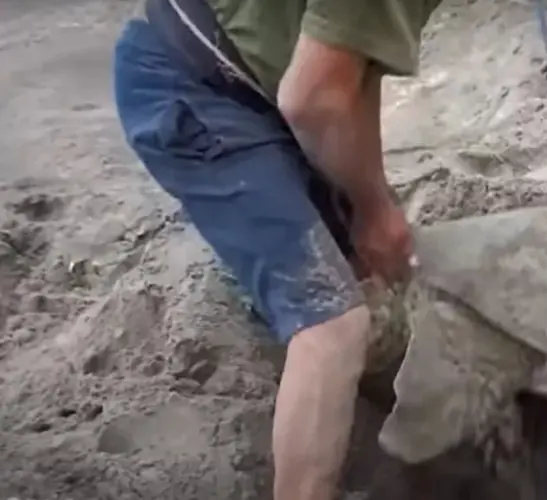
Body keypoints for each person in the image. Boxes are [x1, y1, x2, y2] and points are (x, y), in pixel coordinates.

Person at [112, 0, 441, 498]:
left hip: (258, 81)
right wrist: (373, 206)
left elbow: (350, 69)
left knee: (361, 273)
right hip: (194, 84)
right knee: (331, 321)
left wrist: (370, 200)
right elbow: (313, 99)